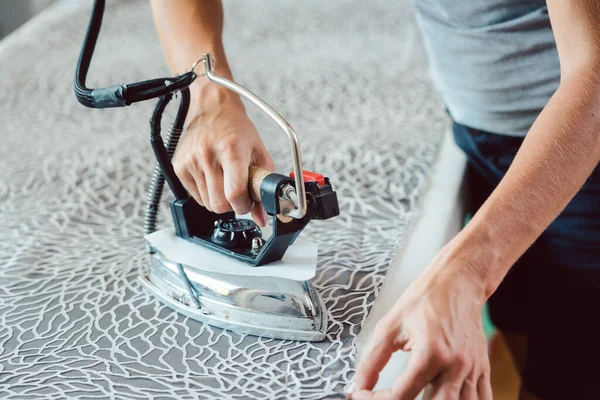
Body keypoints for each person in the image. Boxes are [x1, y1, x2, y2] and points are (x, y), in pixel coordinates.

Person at [150, 1, 600, 399]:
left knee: (568, 375)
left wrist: (466, 271)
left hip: (578, 144)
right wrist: (210, 96)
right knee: (520, 327)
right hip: (475, 124)